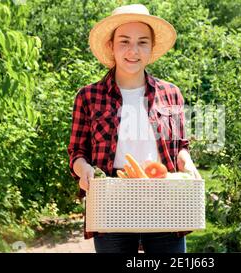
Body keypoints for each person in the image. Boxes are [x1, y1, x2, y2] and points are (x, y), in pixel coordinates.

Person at [67, 4, 201, 253]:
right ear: (111, 46)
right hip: (111, 200)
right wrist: (83, 169)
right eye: (124, 41)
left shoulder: (171, 93)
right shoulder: (88, 96)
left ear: (151, 48)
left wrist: (188, 165)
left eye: (142, 42)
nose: (133, 50)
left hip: (165, 200)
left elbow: (181, 147)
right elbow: (77, 151)